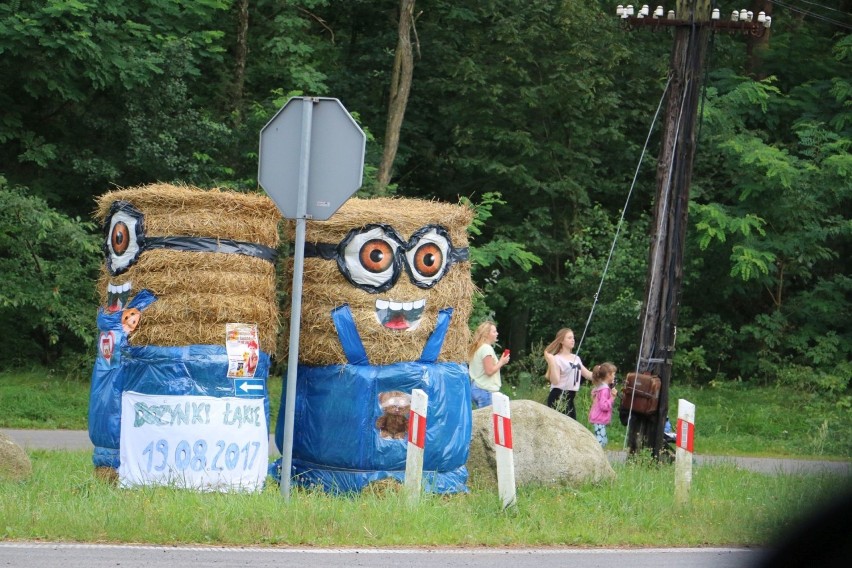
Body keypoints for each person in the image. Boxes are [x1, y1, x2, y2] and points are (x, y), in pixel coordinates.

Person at [543, 328, 592, 419]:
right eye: (569, 338)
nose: (573, 340)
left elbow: (588, 375)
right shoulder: (557, 358)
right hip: (558, 396)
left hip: (570, 397)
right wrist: (552, 362)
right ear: (562, 341)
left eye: (573, 337)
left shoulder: (576, 358)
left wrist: (602, 374)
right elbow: (555, 381)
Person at [467, 321, 510, 408]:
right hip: (485, 390)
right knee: (488, 420)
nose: (497, 334)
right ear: (486, 334)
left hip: (476, 388)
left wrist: (500, 361)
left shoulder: (477, 347)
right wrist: (502, 362)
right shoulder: (486, 349)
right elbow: (489, 371)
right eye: (494, 332)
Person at [588, 362, 618, 447]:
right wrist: (612, 397)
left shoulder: (600, 388)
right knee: (600, 443)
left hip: (597, 419)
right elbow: (603, 406)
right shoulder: (605, 390)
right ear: (608, 375)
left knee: (602, 440)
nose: (614, 376)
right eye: (613, 374)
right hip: (599, 420)